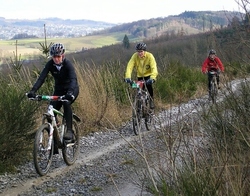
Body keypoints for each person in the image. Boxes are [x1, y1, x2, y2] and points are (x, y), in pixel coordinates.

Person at [27, 43, 79, 142]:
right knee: (50, 111)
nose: (56, 59)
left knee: (66, 103)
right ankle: (55, 140)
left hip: (71, 89)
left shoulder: (68, 64)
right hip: (59, 90)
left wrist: (70, 93)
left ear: (62, 55)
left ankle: (69, 131)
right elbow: (41, 78)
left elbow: (73, 79)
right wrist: (33, 91)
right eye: (54, 56)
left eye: (58, 56)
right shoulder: (50, 64)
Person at [124, 42, 158, 109]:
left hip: (148, 76)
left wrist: (153, 78)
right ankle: (139, 107)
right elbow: (129, 66)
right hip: (140, 77)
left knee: (149, 87)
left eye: (141, 51)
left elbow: (154, 68)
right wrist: (127, 77)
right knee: (138, 89)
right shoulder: (134, 56)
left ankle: (151, 101)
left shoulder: (150, 56)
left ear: (145, 51)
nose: (139, 53)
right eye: (138, 51)